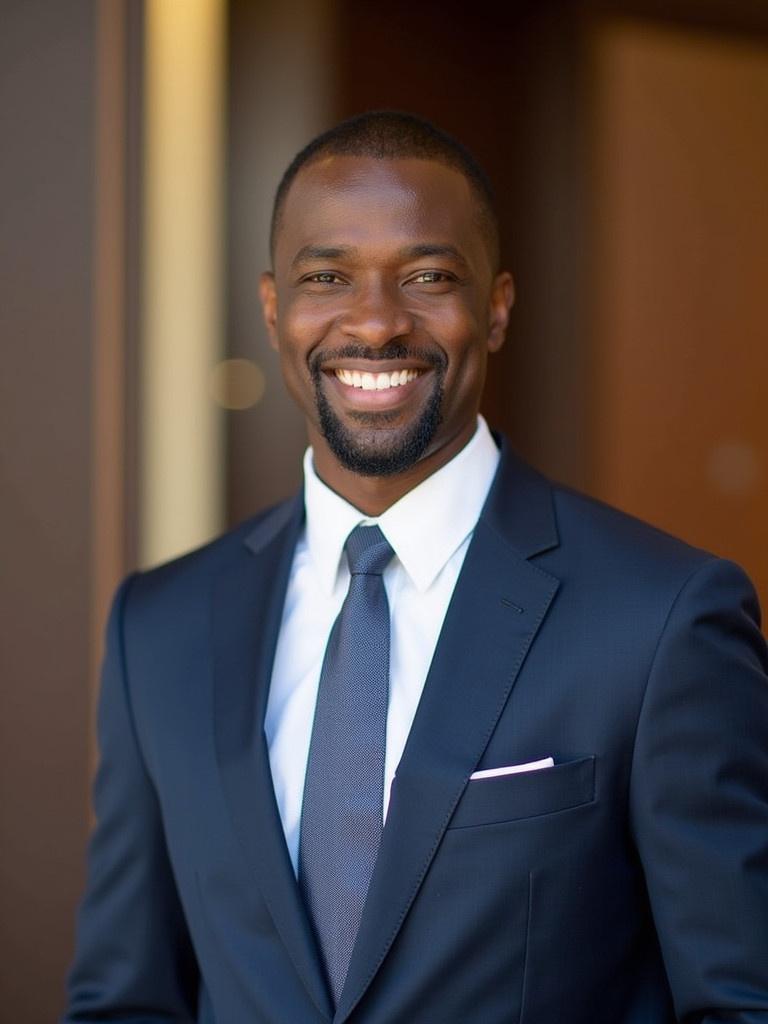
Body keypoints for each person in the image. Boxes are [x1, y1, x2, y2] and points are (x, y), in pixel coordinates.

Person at [64, 111, 768, 1024]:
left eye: (429, 277)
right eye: (328, 277)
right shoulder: (156, 628)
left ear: (499, 306)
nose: (375, 322)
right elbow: (127, 1001)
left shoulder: (664, 618)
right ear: (275, 307)